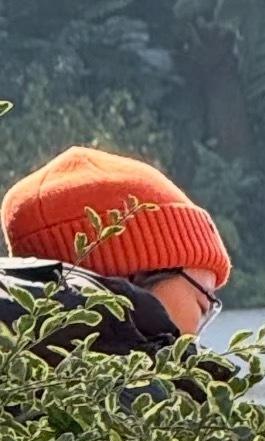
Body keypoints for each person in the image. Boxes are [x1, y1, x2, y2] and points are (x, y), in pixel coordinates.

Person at [0, 147, 231, 379]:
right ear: (132, 275)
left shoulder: (23, 379)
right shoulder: (131, 395)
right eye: (203, 304)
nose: (199, 335)